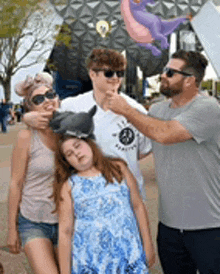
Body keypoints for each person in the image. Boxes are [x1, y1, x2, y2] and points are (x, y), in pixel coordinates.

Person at [105, 49, 220, 274]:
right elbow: (135, 145)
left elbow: (165, 134)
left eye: (170, 72)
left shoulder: (208, 109)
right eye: (163, 71)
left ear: (190, 80)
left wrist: (126, 110)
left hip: (209, 226)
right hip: (169, 227)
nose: (162, 76)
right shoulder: (157, 110)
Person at [23, 48, 152, 200]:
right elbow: (46, 119)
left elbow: (144, 149)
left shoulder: (136, 110)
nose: (116, 78)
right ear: (92, 74)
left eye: (120, 73)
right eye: (109, 73)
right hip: (87, 198)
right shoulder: (72, 106)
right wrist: (27, 117)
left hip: (128, 196)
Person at [49, 106, 155, 274]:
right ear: (67, 162)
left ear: (89, 142)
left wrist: (147, 245)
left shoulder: (117, 169)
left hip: (128, 256)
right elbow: (65, 232)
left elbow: (138, 206)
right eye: (69, 154)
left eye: (78, 146)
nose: (76, 153)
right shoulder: (69, 186)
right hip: (90, 263)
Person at [7, 72, 60, 274]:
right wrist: (12, 229)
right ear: (30, 107)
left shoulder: (69, 131)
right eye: (39, 99)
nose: (47, 101)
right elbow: (15, 183)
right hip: (33, 222)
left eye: (50, 94)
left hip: (66, 221)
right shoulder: (26, 137)